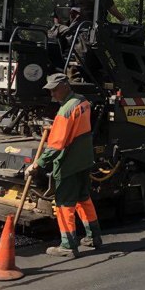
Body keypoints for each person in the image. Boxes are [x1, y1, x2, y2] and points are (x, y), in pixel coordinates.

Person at [25, 73, 101, 257]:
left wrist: (37, 165)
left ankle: (68, 245)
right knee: (84, 199)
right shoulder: (82, 101)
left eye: (54, 90)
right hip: (84, 160)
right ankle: (93, 237)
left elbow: (56, 145)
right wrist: (58, 127)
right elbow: (76, 128)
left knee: (64, 204)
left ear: (65, 86)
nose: (52, 95)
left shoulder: (65, 111)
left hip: (69, 163)